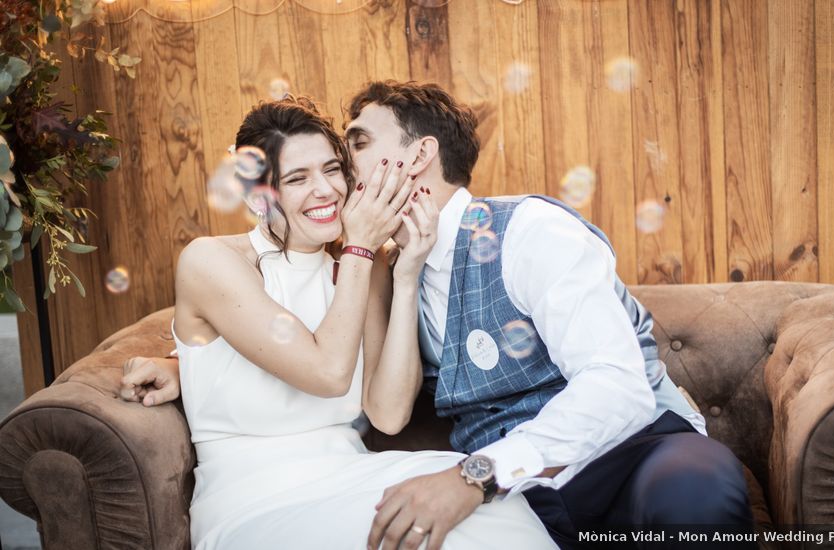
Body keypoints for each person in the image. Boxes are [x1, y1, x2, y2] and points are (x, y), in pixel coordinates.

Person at [127, 82, 756, 550]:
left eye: (348, 155)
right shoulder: (383, 261)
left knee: (693, 493)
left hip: (623, 456)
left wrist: (479, 475)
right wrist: (194, 365)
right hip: (518, 489)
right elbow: (302, 349)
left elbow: (614, 385)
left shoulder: (527, 232)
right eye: (304, 176)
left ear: (420, 156)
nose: (337, 183)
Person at [123, 95, 556, 550]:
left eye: (332, 169)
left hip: (354, 472)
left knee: (497, 507)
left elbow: (387, 416)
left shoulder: (365, 272)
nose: (326, 190)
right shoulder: (211, 260)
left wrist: (404, 277)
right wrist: (360, 251)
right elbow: (327, 373)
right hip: (257, 500)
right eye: (297, 178)